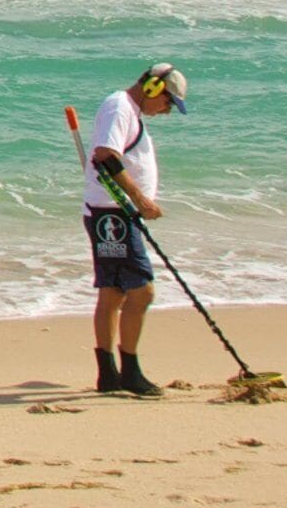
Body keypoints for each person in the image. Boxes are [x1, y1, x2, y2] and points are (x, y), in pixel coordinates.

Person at [82, 63, 188, 398]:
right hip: (113, 216)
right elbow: (106, 156)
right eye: (168, 102)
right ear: (153, 88)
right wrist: (140, 199)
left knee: (114, 293)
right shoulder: (119, 107)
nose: (167, 111)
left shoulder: (128, 112)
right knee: (142, 292)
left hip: (111, 215)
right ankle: (129, 371)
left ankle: (110, 374)